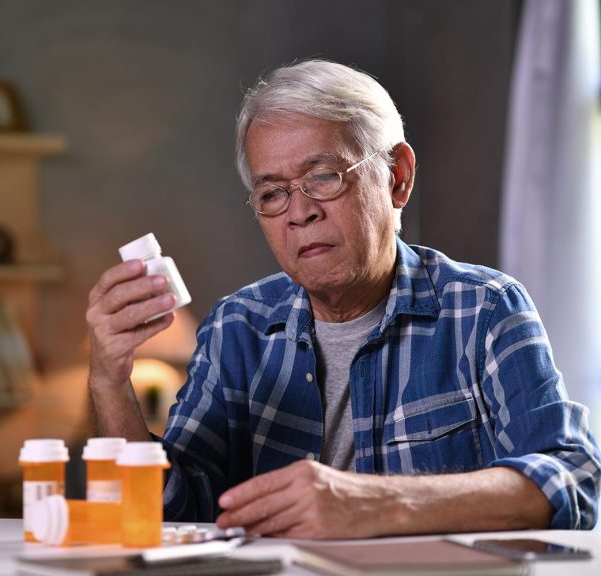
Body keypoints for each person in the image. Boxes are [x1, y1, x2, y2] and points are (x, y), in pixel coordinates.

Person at [85, 59, 601, 539]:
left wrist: (378, 503)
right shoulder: (236, 329)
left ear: (397, 178)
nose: (299, 213)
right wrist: (109, 382)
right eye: (272, 193)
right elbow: (169, 512)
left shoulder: (484, 310)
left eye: (324, 178)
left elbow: (572, 480)